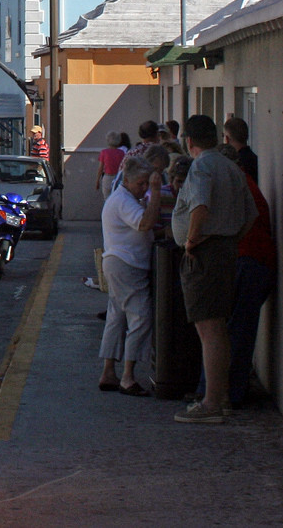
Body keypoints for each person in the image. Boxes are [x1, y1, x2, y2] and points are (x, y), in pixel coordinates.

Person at [171, 114, 260, 424]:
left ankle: (210, 403)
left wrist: (193, 240)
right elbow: (251, 214)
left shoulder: (203, 166)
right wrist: (231, 238)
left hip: (205, 254)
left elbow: (201, 205)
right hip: (225, 250)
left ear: (189, 141)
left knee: (208, 328)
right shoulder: (231, 166)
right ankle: (219, 396)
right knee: (218, 328)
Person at [99, 155, 165, 396]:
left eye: (147, 183)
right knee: (141, 316)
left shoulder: (121, 198)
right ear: (127, 180)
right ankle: (128, 376)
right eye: (141, 183)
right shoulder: (124, 201)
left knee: (117, 318)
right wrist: (156, 192)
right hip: (127, 265)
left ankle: (108, 371)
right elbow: (145, 223)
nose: (144, 187)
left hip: (118, 263)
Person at [221, 116, 276, 407]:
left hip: (250, 261)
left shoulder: (237, 185)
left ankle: (230, 393)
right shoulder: (247, 180)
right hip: (253, 260)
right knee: (237, 330)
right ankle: (229, 389)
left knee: (237, 332)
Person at [97, 131, 125, 200]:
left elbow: (100, 168)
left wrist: (97, 180)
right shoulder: (121, 153)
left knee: (107, 199)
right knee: (117, 198)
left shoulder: (104, 152)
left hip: (107, 177)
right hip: (118, 177)